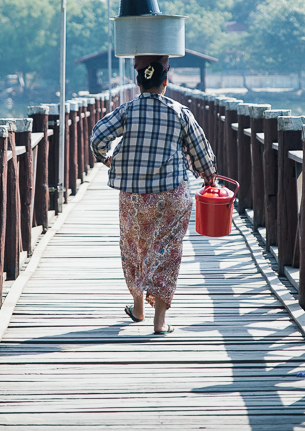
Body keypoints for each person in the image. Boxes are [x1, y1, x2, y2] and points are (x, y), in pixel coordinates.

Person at [89, 55, 217, 334]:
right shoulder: (180, 112)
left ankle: (138, 307)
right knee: (168, 251)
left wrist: (108, 159)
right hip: (171, 194)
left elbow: (98, 136)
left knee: (134, 246)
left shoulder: (127, 111)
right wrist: (208, 175)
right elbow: (201, 151)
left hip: (134, 197)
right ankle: (159, 322)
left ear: (137, 83)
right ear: (166, 82)